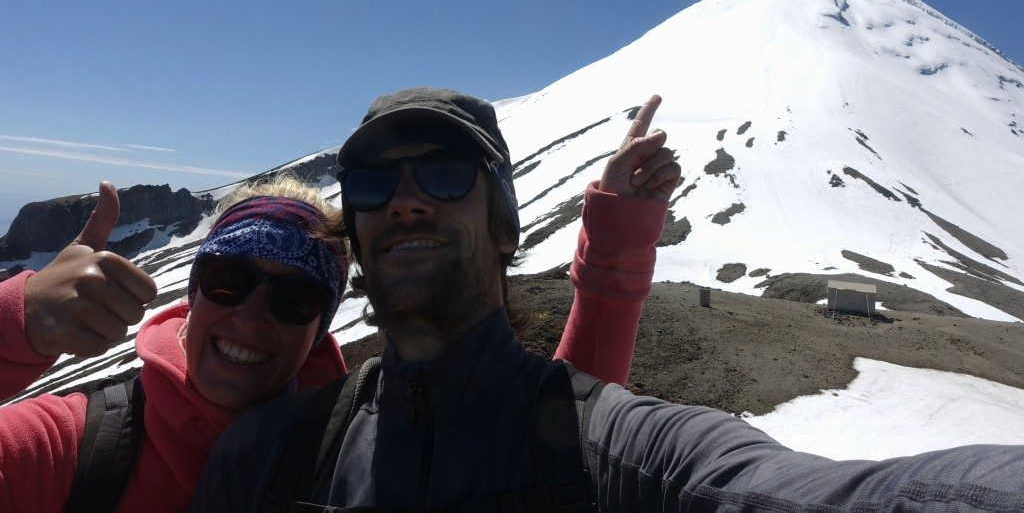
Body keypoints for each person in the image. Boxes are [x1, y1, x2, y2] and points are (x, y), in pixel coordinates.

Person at [192, 87, 1024, 513]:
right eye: (374, 180)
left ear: (507, 225)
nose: (405, 199)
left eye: (445, 174)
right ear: (359, 229)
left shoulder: (611, 447)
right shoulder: (268, 456)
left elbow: (779, 490)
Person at [0, 97, 676, 512]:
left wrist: (615, 247)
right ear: (194, 287)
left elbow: (555, 430)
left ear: (320, 328)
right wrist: (19, 324)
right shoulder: (76, 446)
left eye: (294, 297)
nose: (250, 315)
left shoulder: (343, 440)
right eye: (230, 279)